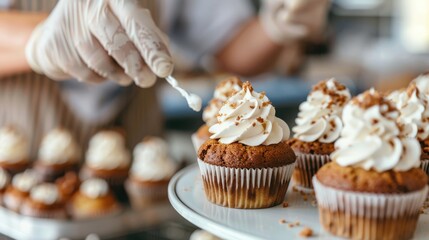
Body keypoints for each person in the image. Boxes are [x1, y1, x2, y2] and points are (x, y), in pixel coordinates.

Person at [0, 0, 330, 158]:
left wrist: (280, 24)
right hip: (16, 162)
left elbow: (232, 49)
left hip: (141, 160)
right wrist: (38, 42)